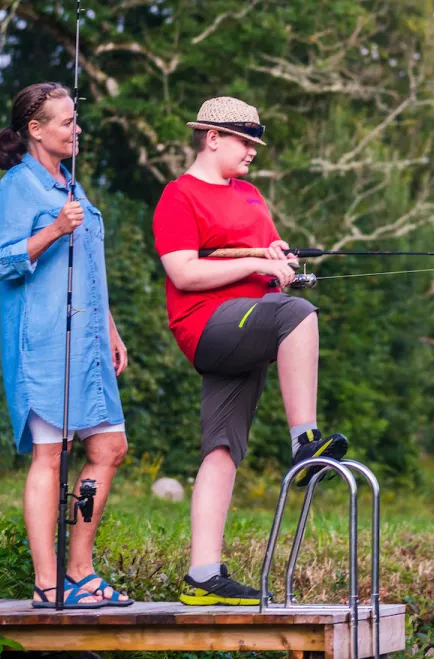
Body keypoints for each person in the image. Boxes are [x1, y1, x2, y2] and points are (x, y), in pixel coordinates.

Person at [152, 97, 349, 606]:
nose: (252, 152)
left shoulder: (252, 197)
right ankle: (304, 442)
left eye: (254, 144)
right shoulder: (179, 196)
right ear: (212, 137)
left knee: (222, 448)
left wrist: (277, 257)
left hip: (248, 327)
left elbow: (266, 248)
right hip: (206, 326)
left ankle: (203, 576)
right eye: (245, 142)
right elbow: (184, 273)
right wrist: (253, 268)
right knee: (297, 313)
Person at [0, 82, 132, 609]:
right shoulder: (15, 188)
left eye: (76, 120)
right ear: (36, 129)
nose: (77, 130)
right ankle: (48, 586)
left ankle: (81, 572)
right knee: (52, 455)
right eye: (67, 122)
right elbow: (1, 262)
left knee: (109, 448)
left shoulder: (71, 185)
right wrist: (51, 230)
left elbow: (88, 269)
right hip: (45, 341)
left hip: (90, 343)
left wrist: (111, 330)